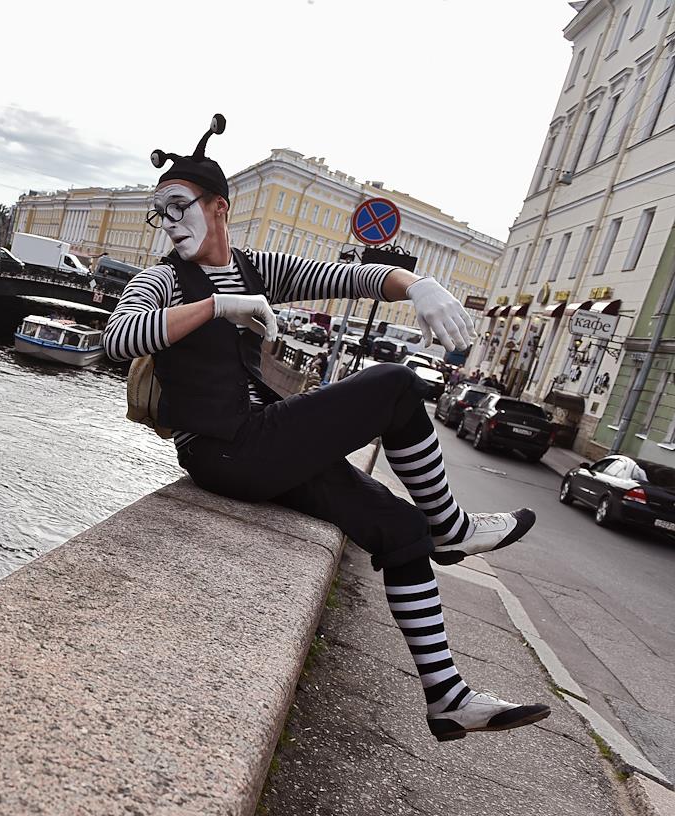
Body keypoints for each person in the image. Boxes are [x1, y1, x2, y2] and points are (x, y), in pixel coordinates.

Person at [105, 116, 547, 743]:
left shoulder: (260, 267)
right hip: (222, 449)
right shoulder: (162, 278)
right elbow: (120, 338)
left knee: (399, 528)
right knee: (394, 383)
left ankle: (447, 696)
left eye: (178, 206)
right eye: (159, 212)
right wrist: (218, 307)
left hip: (262, 443)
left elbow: (352, 277)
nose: (169, 222)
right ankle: (453, 526)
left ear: (219, 207)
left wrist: (417, 283)